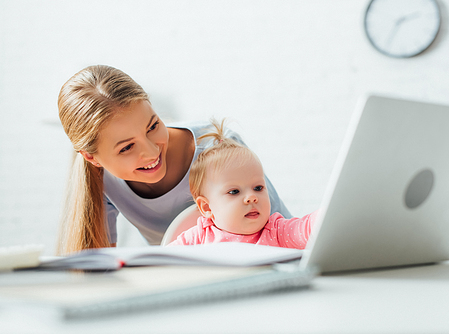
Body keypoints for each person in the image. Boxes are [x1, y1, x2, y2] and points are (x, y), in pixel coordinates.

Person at [57, 65, 290, 254]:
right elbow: (101, 269)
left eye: (153, 126)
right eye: (127, 147)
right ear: (91, 157)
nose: (151, 152)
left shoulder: (216, 146)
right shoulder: (102, 181)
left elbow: (282, 232)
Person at [168, 119, 317, 249]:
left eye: (258, 188)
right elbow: (163, 259)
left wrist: (328, 212)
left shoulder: (277, 231)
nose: (252, 197)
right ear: (207, 207)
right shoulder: (199, 237)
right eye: (234, 192)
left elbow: (307, 228)